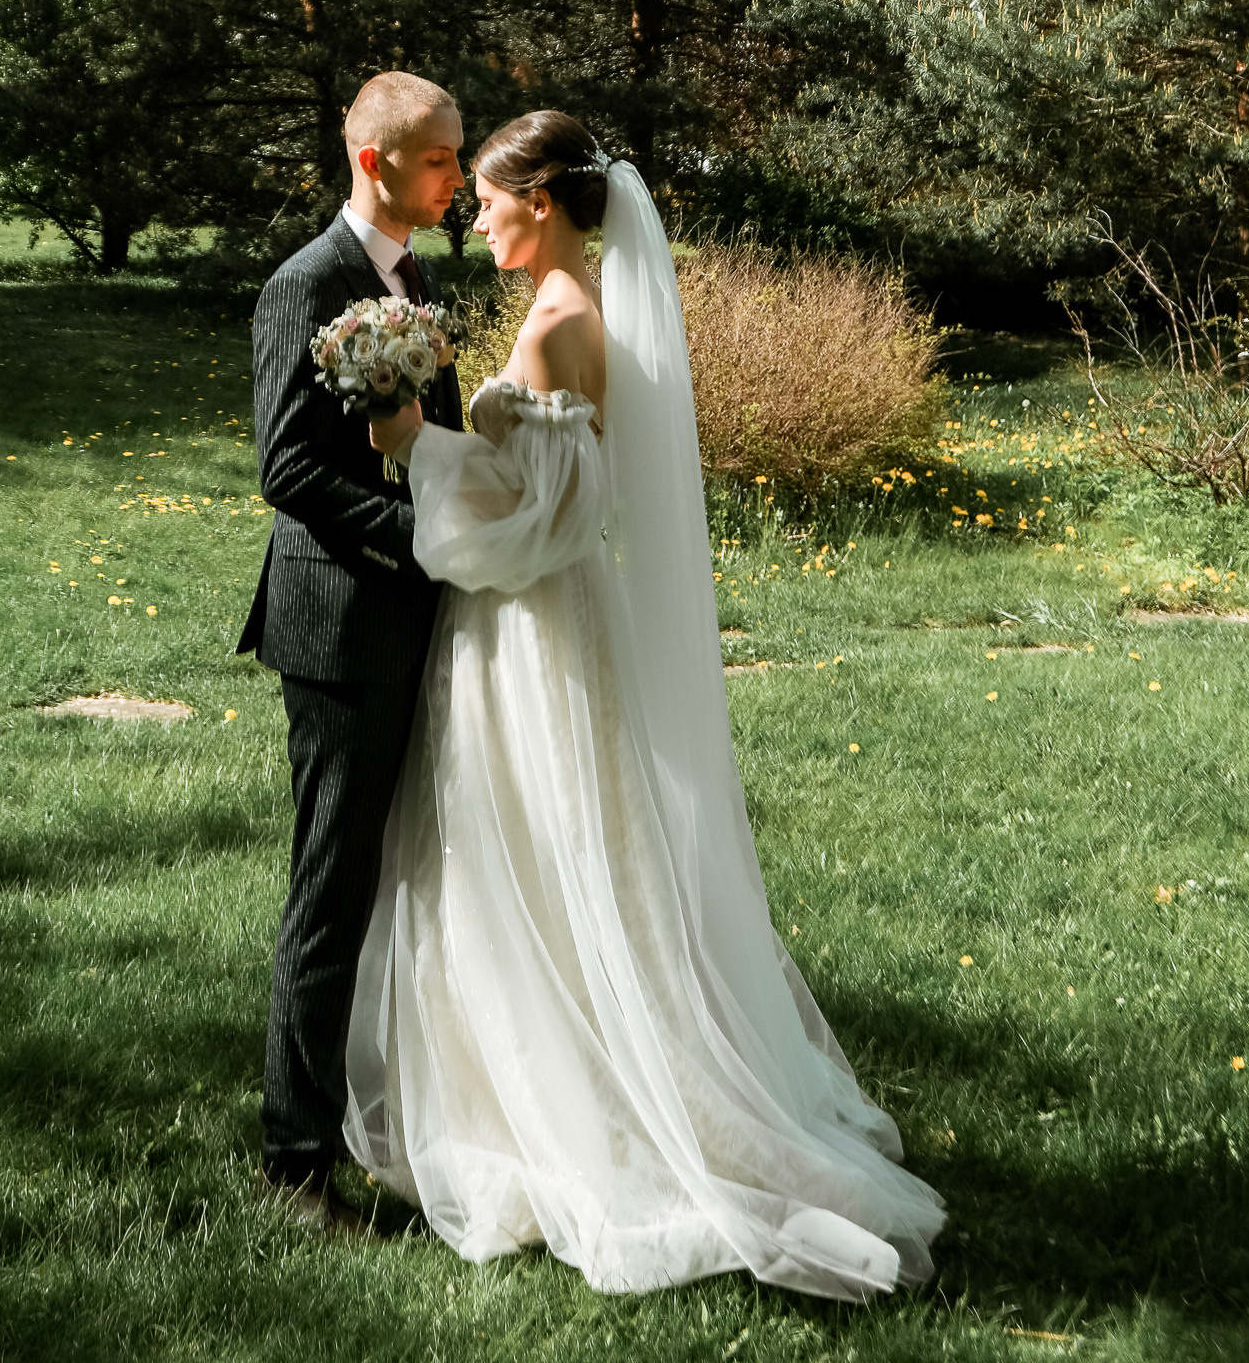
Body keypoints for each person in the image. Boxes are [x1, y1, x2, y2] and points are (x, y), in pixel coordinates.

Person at [344, 108, 945, 1300]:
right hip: (533, 623)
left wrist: (413, 447)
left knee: (548, 854)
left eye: (492, 195)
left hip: (538, 629)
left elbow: (549, 521)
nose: (474, 210)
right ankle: (528, 1095)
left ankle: (593, 1119)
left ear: (548, 202)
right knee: (534, 854)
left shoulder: (564, 321)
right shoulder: (560, 309)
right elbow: (537, 488)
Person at [237, 70, 468, 1231]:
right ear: (377, 162)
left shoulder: (412, 278)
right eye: (439, 161)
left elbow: (431, 439)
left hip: (413, 617)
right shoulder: (308, 285)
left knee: (395, 877)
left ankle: (391, 1123)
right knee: (330, 891)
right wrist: (418, 540)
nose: (458, 179)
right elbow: (286, 470)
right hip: (339, 625)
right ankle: (291, 1167)